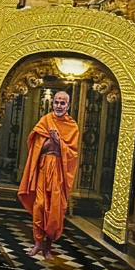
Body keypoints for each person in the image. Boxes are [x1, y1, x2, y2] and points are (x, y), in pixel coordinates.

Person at [18, 90, 79, 259]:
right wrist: (49, 141)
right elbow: (34, 145)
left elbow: (72, 154)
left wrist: (59, 142)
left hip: (59, 170)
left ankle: (47, 247)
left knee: (54, 208)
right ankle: (37, 243)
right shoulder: (45, 121)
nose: (59, 106)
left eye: (62, 103)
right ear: (52, 103)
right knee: (39, 205)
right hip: (43, 169)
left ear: (68, 106)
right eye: (56, 102)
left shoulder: (72, 126)